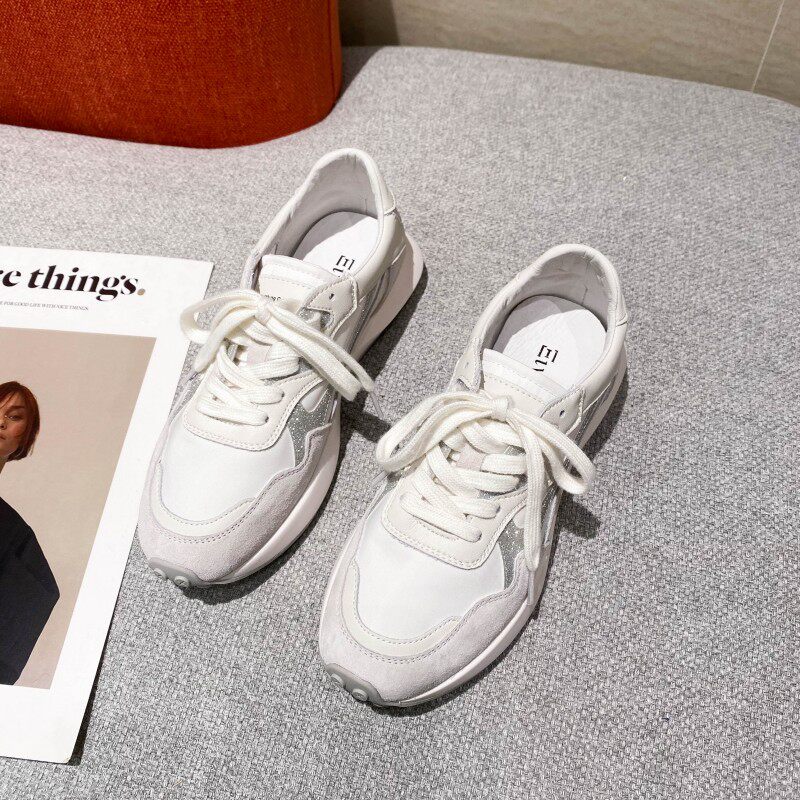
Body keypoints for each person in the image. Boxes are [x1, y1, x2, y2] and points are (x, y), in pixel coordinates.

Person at [0, 381, 59, 685]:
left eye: (14, 416)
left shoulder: (16, 536)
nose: (0, 421)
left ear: (25, 437)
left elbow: (39, 597)